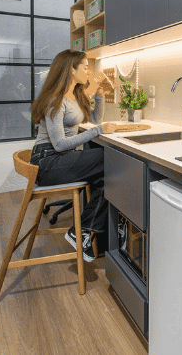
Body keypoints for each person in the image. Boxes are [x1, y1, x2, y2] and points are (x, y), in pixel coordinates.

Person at [30, 49, 117, 262]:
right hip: (48, 162)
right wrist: (97, 131)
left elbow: (95, 121)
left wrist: (99, 97)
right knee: (112, 161)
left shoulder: (75, 96)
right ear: (71, 69)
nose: (88, 71)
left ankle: (84, 230)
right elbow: (59, 145)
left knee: (109, 171)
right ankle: (85, 230)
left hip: (61, 159)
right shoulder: (55, 100)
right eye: (85, 67)